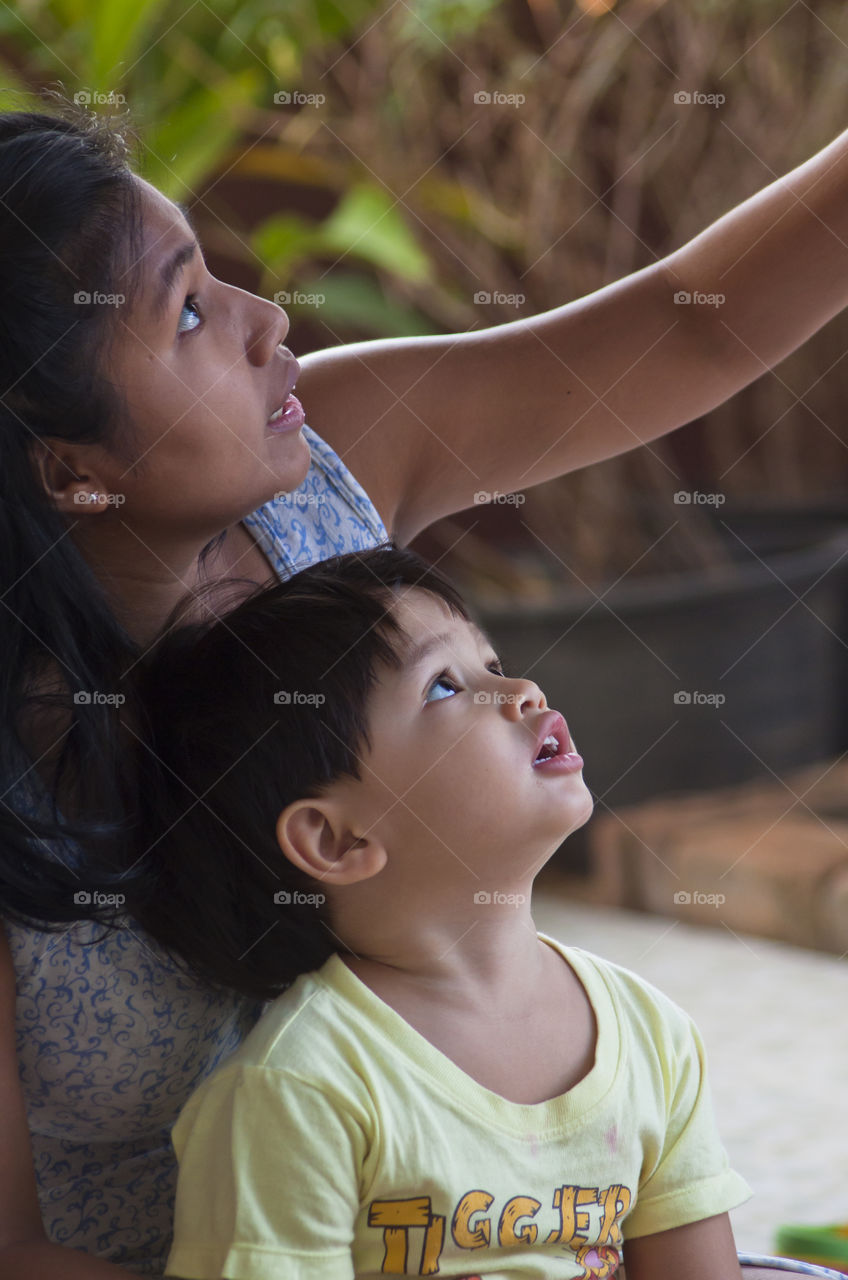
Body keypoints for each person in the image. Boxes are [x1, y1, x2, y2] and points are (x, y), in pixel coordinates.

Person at [2, 90, 848, 1279]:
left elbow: (687, 326)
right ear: (69, 467)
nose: (263, 317)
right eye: (188, 310)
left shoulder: (317, 466)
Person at [129, 543, 750, 1280]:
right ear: (336, 839)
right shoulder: (303, 1091)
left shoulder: (653, 1036)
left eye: (492, 662)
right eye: (445, 688)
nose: (520, 689)